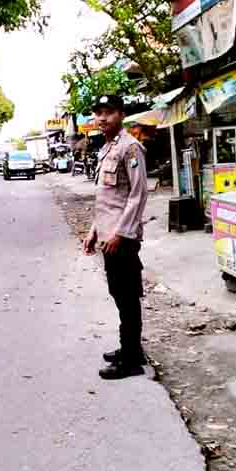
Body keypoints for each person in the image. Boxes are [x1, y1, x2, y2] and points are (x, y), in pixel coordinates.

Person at [82, 95, 149, 381]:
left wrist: (120, 234)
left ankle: (132, 360)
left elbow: (137, 194)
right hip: (108, 236)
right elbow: (107, 199)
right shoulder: (106, 149)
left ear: (121, 115)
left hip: (122, 238)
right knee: (119, 294)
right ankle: (130, 348)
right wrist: (93, 231)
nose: (102, 119)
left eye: (108, 113)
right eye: (98, 113)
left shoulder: (130, 148)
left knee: (127, 297)